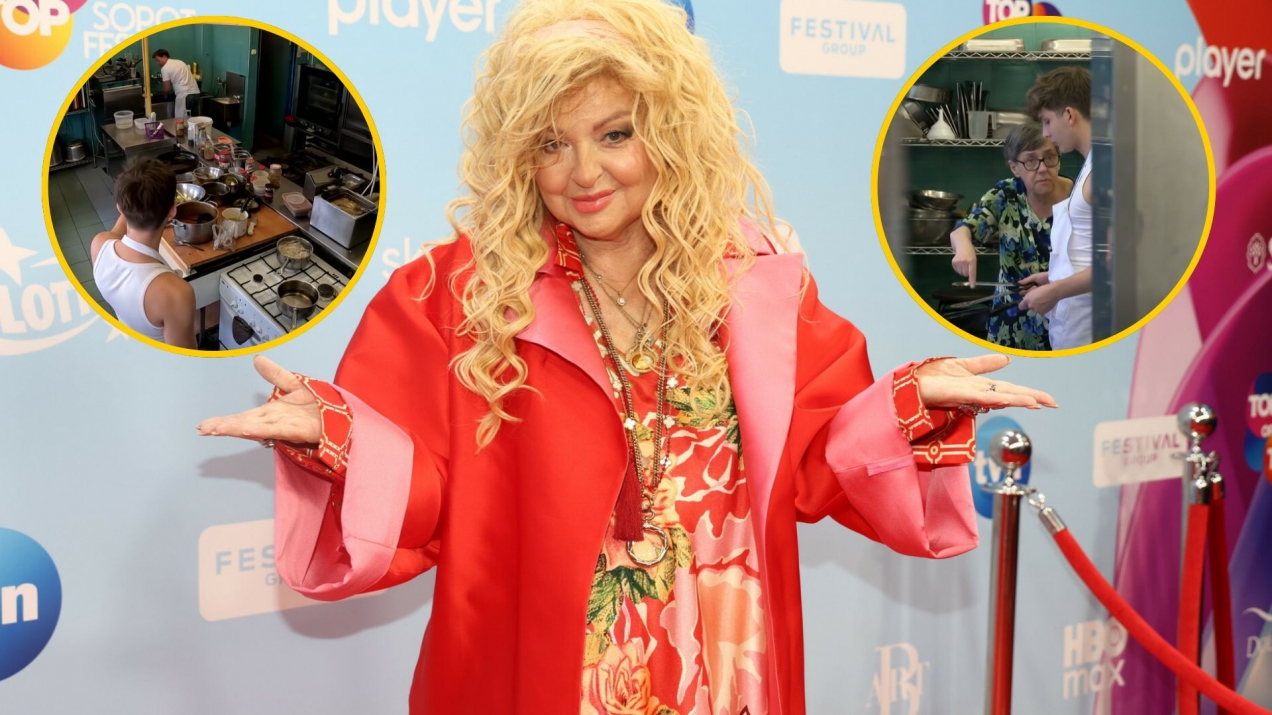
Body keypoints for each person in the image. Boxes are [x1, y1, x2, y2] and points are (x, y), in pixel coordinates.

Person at [196, 1, 1055, 712]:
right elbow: (418, 491)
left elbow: (819, 455)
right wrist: (338, 437)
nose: (583, 172)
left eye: (614, 134)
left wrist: (909, 402)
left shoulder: (754, 281)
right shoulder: (453, 294)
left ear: (671, 133)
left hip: (723, 659)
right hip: (542, 672)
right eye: (550, 143)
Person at [950, 122, 1073, 351]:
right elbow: (964, 228)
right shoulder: (1006, 195)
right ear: (1015, 167)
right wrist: (964, 247)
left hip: (1065, 321)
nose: (1042, 168)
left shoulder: (1078, 199)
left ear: (1059, 159)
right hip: (1009, 324)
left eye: (1049, 157)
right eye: (1030, 161)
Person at [1018, 66, 1094, 349]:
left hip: (1089, 327)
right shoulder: (1091, 165)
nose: (1046, 133)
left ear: (1069, 115)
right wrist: (1053, 277)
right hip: (1075, 320)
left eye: (1047, 122)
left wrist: (1055, 291)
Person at [91, 158, 197, 348]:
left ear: (119, 208)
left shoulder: (99, 245)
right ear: (172, 211)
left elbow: (118, 228)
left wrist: (135, 199)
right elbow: (186, 358)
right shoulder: (176, 293)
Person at [152, 49, 199, 119]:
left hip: (185, 96)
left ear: (164, 57)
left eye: (158, 60)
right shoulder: (180, 62)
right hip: (196, 93)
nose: (157, 63)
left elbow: (167, 89)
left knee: (182, 121)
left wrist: (165, 96)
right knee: (194, 120)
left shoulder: (165, 68)